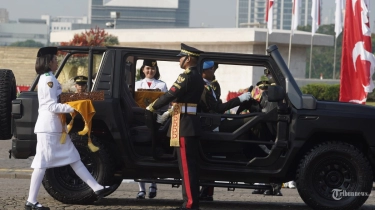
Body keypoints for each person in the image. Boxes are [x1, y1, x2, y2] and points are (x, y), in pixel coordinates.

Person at [25, 47, 115, 210]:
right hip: (49, 127)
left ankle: (96, 187)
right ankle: (31, 201)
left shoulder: (49, 77)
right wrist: (72, 108)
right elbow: (50, 105)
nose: (56, 62)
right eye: (54, 59)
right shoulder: (47, 79)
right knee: (41, 163)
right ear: (48, 62)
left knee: (73, 157)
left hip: (55, 127)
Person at [145, 43, 205, 210]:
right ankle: (189, 202)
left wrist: (153, 107)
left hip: (185, 124)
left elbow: (171, 93)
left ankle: (190, 204)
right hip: (187, 122)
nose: (179, 59)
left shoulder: (186, 76)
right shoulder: (197, 76)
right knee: (188, 167)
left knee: (187, 168)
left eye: (181, 57)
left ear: (188, 59)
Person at [198, 61, 251, 201]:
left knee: (247, 122)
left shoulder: (210, 85)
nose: (214, 71)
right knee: (250, 122)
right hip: (211, 125)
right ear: (204, 71)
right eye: (211, 69)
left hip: (216, 121)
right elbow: (216, 108)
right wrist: (239, 99)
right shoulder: (202, 87)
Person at [135, 59, 167, 199]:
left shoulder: (162, 85)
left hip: (156, 121)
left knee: (153, 150)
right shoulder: (136, 85)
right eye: (148, 68)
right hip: (140, 120)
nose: (150, 71)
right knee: (140, 151)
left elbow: (166, 104)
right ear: (143, 69)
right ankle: (141, 189)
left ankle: (153, 184)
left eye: (153, 69)